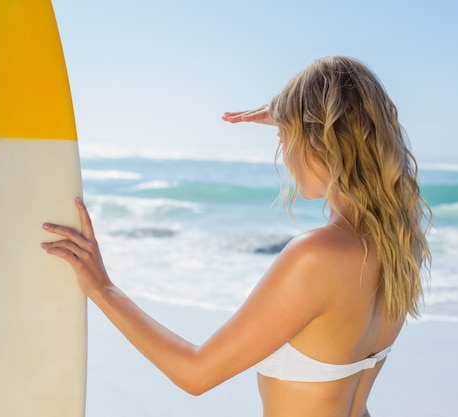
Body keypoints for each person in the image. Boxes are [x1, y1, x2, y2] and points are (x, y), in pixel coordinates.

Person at [41, 56, 431, 417]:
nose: (283, 148)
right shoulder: (398, 243)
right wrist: (289, 113)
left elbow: (196, 373)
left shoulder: (317, 256)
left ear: (319, 139)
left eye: (285, 136)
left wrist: (103, 288)